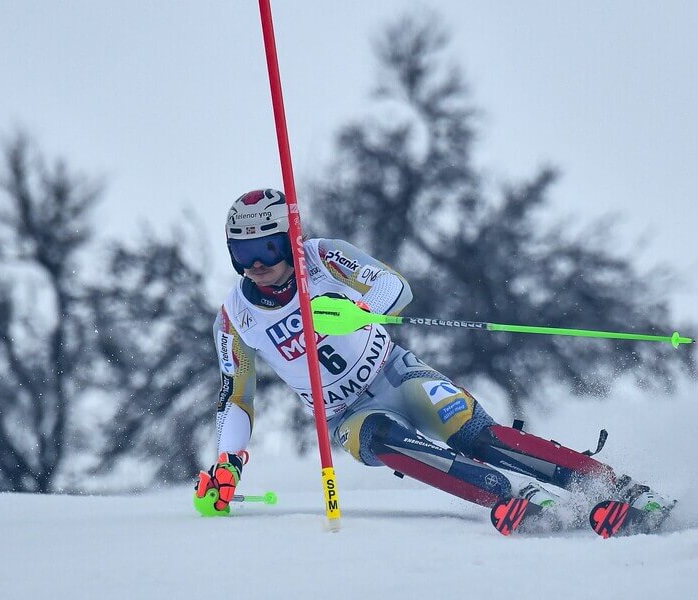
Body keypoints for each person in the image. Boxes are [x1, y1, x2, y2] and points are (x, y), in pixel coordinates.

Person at [194, 188, 673, 533]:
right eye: (242, 252)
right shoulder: (234, 318)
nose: (256, 263)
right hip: (345, 412)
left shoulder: (321, 258)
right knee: (384, 439)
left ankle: (617, 488)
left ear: (289, 239)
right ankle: (511, 496)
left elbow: (394, 288)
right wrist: (227, 463)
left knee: (474, 434)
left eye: (268, 248)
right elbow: (236, 397)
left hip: (395, 371)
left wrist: (354, 313)